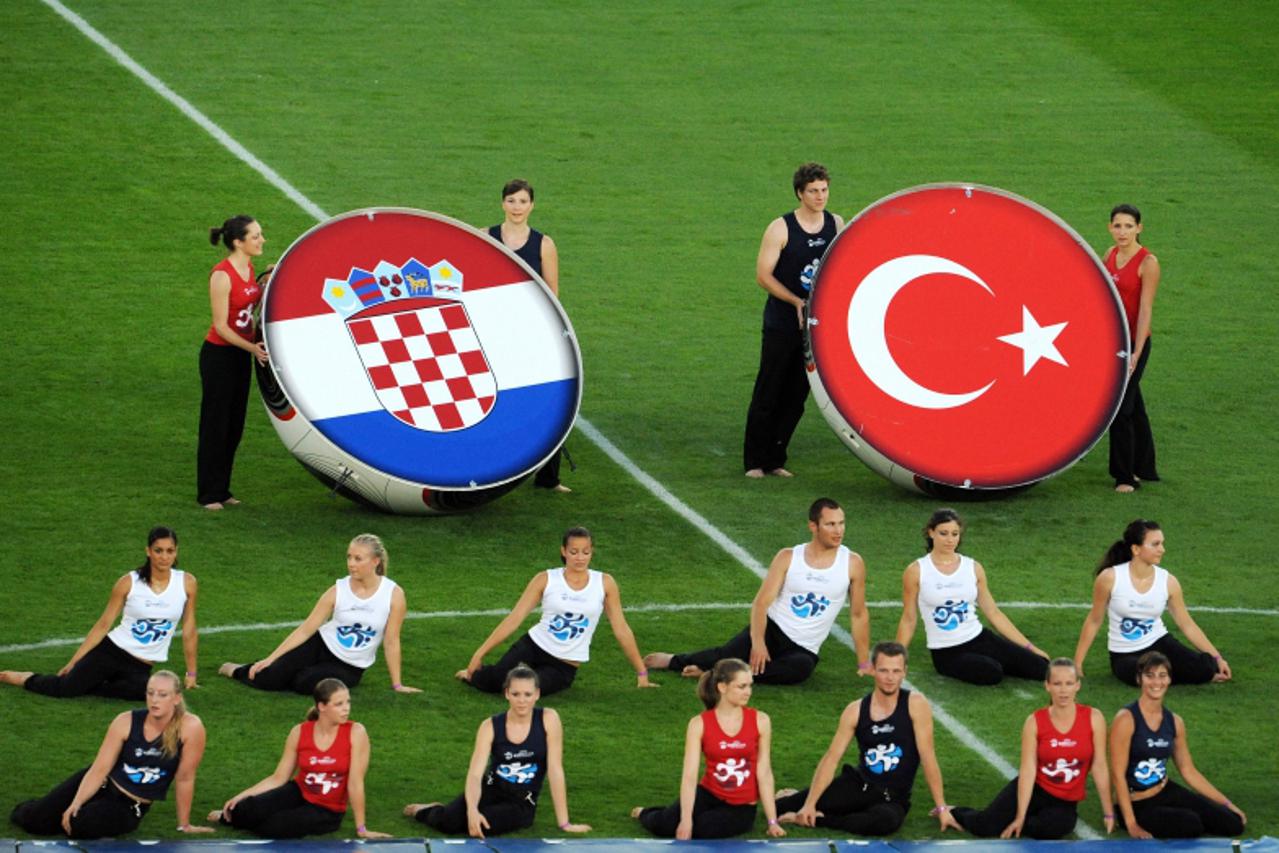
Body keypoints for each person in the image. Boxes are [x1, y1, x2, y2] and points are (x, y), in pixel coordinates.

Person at [644, 498, 869, 685]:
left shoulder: (853, 563)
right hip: (773, 629)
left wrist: (863, 662)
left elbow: (858, 614)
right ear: (813, 526)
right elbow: (761, 604)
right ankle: (674, 660)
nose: (838, 530)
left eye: (841, 523)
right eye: (830, 524)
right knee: (726, 655)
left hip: (805, 647)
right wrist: (759, 642)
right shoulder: (788, 557)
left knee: (799, 671)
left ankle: (720, 676)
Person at [775, 642, 961, 835]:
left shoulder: (916, 705)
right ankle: (796, 797)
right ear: (872, 670)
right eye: (884, 670)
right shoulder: (855, 710)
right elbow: (831, 758)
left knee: (884, 822)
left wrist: (941, 808)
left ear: (905, 671)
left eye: (896, 671)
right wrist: (809, 804)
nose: (890, 678)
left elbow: (928, 756)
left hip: (892, 798)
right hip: (858, 785)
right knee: (781, 807)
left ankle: (822, 820)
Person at [2, 527, 200, 700]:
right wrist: (74, 661)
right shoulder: (128, 582)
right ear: (148, 551)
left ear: (176, 552)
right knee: (65, 689)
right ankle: (23, 678)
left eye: (169, 551)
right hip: (111, 652)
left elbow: (189, 630)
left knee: (147, 695)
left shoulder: (187, 583)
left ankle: (89, 683)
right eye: (158, 551)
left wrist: (191, 673)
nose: (164, 557)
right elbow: (104, 624)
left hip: (141, 665)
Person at [10, 671, 211, 838]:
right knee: (35, 822)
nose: (154, 700)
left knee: (79, 825)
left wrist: (183, 824)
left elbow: (185, 777)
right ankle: (40, 808)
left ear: (176, 698)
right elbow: (100, 769)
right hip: (103, 783)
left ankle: (72, 815)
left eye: (162, 694)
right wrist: (76, 802)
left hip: (129, 806)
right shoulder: (126, 721)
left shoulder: (190, 727)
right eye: (151, 693)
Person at [456, 527, 655, 695]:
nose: (580, 558)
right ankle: (476, 673)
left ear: (592, 552)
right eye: (574, 551)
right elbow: (514, 619)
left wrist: (642, 674)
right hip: (533, 646)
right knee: (496, 683)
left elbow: (621, 629)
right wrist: (478, 654)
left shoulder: (605, 583)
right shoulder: (545, 579)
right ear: (563, 551)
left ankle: (522, 672)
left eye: (585, 552)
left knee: (525, 691)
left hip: (564, 665)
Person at [217, 534, 419, 695]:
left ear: (375, 561)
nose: (351, 563)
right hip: (321, 645)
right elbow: (306, 629)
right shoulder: (338, 589)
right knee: (269, 678)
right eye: (349, 557)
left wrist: (397, 685)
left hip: (350, 666)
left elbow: (391, 641)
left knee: (304, 683)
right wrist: (271, 658)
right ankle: (235, 669)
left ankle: (296, 672)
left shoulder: (394, 594)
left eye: (358, 559)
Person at [743, 162, 845, 478]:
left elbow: (841, 268)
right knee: (769, 389)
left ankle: (776, 458)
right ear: (800, 193)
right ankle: (754, 461)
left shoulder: (836, 224)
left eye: (824, 190)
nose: (820, 196)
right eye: (813, 191)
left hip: (815, 326)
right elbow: (763, 275)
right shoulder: (782, 228)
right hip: (782, 322)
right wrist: (796, 301)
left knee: (797, 394)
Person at [405, 665, 590, 839]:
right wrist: (471, 810)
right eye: (516, 694)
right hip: (491, 789)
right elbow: (476, 774)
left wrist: (564, 823)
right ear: (507, 694)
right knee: (449, 822)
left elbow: (555, 769)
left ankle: (459, 813)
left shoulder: (549, 719)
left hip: (521, 803)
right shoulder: (490, 726)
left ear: (537, 695)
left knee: (484, 826)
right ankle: (427, 810)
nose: (522, 700)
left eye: (528, 694)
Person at [951, 658, 1114, 839]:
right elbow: (1028, 770)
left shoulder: (1094, 718)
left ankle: (1024, 820)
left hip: (1065, 799)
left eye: (1069, 683)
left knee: (1055, 827)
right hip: (1037, 787)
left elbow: (1099, 766)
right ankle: (954, 812)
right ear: (1047, 686)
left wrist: (1109, 813)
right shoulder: (1035, 721)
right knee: (986, 827)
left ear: (1077, 685)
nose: (1063, 690)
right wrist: (1019, 816)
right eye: (1057, 683)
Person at [209, 678, 388, 838]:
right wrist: (242, 796)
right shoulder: (300, 731)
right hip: (299, 791)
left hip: (327, 809)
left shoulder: (356, 733)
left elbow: (356, 783)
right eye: (339, 704)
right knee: (245, 808)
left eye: (348, 702)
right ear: (322, 706)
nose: (346, 708)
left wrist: (361, 828)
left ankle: (245, 821)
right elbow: (279, 777)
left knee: (276, 827)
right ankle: (234, 816)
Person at [631, 658, 785, 839]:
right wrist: (685, 819)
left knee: (702, 830)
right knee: (667, 826)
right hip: (708, 793)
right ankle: (646, 813)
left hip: (741, 807)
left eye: (750, 686)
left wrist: (772, 822)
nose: (748, 692)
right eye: (741, 687)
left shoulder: (761, 721)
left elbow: (764, 772)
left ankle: (676, 815)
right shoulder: (699, 724)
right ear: (722, 687)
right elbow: (690, 775)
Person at [895, 508, 1049, 685]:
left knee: (1042, 667)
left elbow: (993, 613)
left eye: (955, 534)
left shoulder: (973, 567)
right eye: (943, 533)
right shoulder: (916, 571)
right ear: (931, 533)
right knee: (992, 673)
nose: (950, 540)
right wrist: (897, 657)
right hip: (946, 652)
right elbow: (908, 618)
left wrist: (1030, 648)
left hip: (979, 638)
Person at [1074, 519, 1229, 685]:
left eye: (1162, 543)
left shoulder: (1169, 581)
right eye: (1155, 544)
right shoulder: (1109, 578)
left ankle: (1166, 674)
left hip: (1160, 642)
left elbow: (1187, 624)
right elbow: (1094, 620)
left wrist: (1217, 658)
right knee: (1146, 675)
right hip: (1125, 653)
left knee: (1206, 667)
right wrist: (1077, 663)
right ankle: (1163, 675)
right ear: (1136, 549)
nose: (1162, 549)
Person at [1109, 651, 1246, 839]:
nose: (1156, 682)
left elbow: (1188, 770)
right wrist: (1131, 824)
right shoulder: (1126, 719)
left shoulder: (1174, 722)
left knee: (1233, 824)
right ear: (1139, 679)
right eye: (1149, 675)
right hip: (1137, 802)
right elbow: (1117, 774)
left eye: (1162, 676)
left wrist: (1227, 804)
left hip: (1164, 790)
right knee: (1191, 824)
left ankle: (1180, 815)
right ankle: (1147, 818)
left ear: (1169, 680)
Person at [488, 179, 569, 493]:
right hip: (494, 332)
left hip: (531, 334)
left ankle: (549, 477)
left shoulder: (544, 244)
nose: (517, 207)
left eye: (523, 201)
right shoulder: (486, 237)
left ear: (532, 205)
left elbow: (553, 293)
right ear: (502, 204)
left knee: (549, 400)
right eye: (511, 201)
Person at [198, 214, 268, 510]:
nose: (261, 240)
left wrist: (267, 279)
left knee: (234, 424)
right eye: (255, 236)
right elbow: (222, 327)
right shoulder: (222, 275)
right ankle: (208, 494)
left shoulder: (248, 268)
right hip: (220, 356)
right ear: (238, 242)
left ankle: (222, 489)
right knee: (215, 424)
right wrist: (253, 348)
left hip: (240, 354)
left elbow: (249, 304)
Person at [1104, 204, 1160, 493]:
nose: (1122, 231)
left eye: (1128, 226)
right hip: (1115, 344)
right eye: (1117, 226)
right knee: (1134, 406)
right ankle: (1146, 466)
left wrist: (1136, 353)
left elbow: (1145, 310)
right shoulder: (1109, 255)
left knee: (1120, 409)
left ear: (1139, 228)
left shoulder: (1147, 262)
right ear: (1110, 228)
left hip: (1135, 343)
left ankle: (1125, 477)